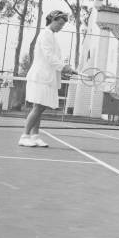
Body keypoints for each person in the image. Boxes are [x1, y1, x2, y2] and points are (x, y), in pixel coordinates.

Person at [20, 10, 77, 147]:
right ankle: (24, 136)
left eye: (63, 25)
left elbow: (54, 59)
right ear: (52, 20)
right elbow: (49, 56)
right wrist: (64, 67)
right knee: (39, 107)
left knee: (39, 107)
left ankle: (34, 136)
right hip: (41, 77)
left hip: (47, 77)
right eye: (60, 23)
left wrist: (65, 68)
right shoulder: (45, 34)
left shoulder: (51, 35)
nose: (61, 27)